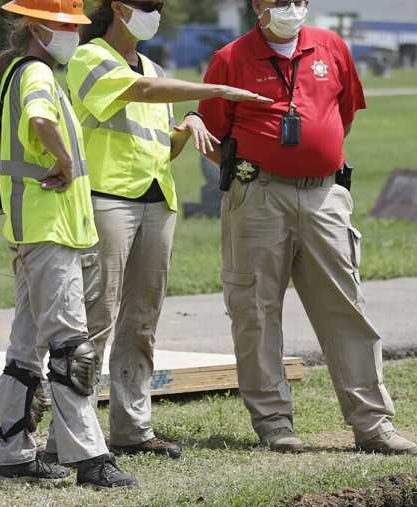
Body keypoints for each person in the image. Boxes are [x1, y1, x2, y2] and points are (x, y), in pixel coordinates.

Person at [197, 0, 417, 455]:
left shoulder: (332, 47)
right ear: (258, 4)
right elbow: (215, 139)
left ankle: (373, 424)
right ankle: (275, 423)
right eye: (281, 1)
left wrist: (314, 155)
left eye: (299, 0)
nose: (292, 8)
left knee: (346, 307)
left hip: (324, 195)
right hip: (258, 196)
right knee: (255, 310)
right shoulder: (230, 58)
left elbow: (344, 117)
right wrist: (257, 170)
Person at [67, 0, 271, 460]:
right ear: (119, 8)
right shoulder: (90, 57)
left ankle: (132, 429)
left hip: (157, 201)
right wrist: (216, 90)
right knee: (96, 319)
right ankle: (74, 437)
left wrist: (192, 124)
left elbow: (162, 145)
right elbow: (140, 91)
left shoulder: (154, 64)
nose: (155, 13)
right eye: (149, 5)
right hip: (108, 201)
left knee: (141, 322)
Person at [0, 0, 136, 489]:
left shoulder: (13, 72)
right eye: (64, 25)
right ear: (36, 26)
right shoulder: (37, 74)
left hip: (30, 228)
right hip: (50, 229)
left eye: (75, 25)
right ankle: (90, 460)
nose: (73, 35)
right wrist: (60, 161)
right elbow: (41, 120)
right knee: (70, 346)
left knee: (25, 346)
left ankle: (16, 457)